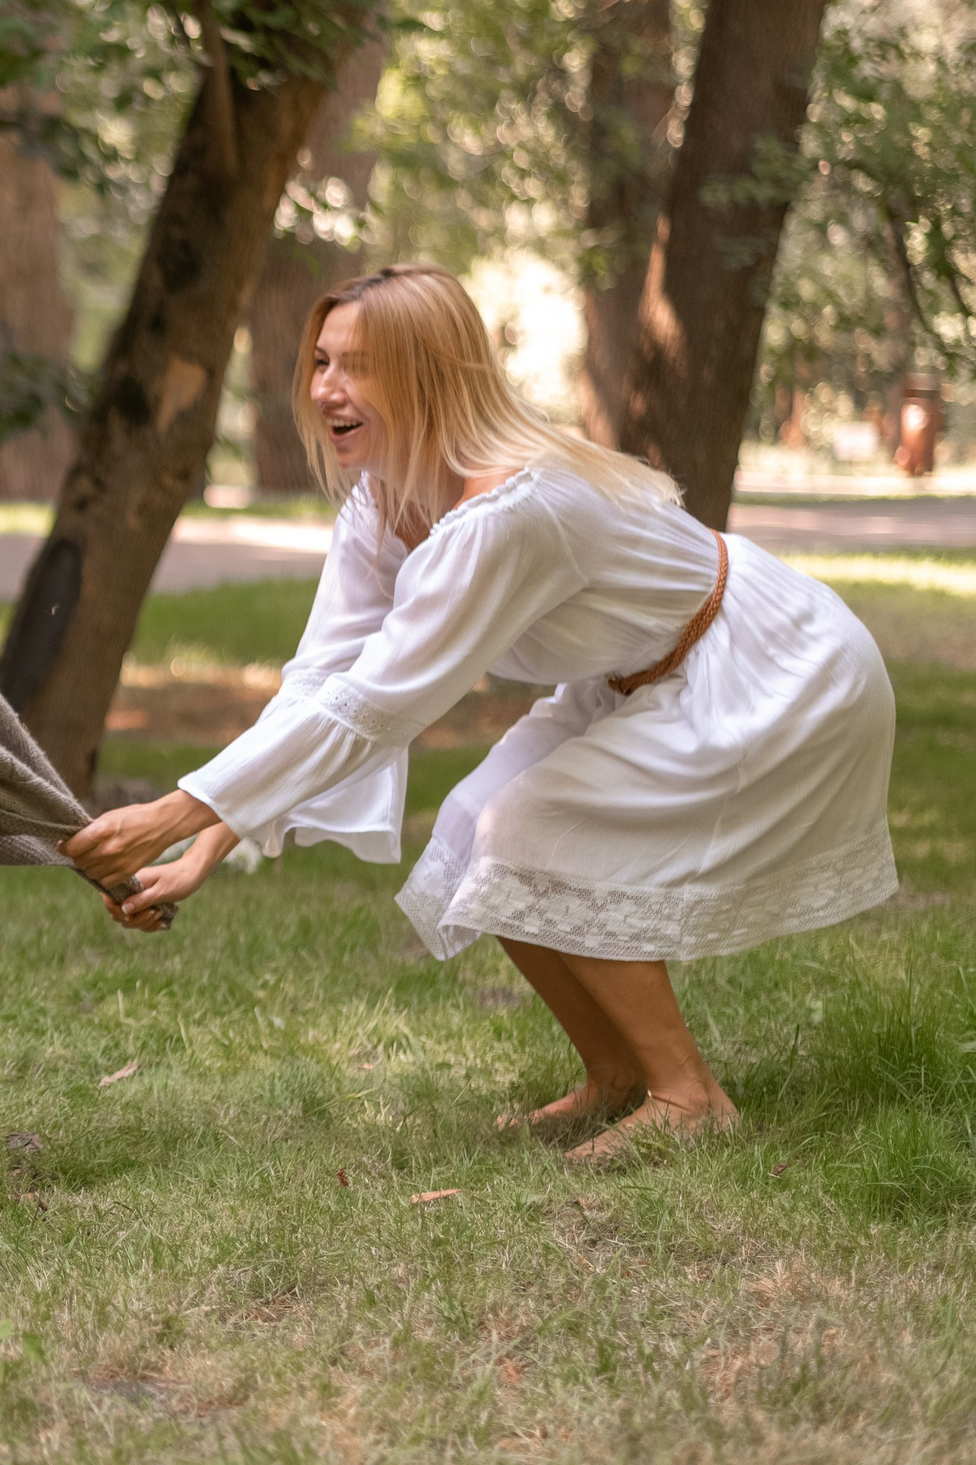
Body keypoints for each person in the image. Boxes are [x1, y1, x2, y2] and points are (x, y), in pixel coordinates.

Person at [62, 264, 896, 1165]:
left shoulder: (513, 509)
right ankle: (614, 1077)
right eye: (320, 360)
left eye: (360, 365)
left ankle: (690, 1096)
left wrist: (173, 809)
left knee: (529, 823)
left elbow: (380, 703)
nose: (326, 388)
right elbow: (321, 685)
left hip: (763, 668)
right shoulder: (382, 504)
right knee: (475, 831)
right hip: (631, 673)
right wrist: (200, 845)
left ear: (431, 374)